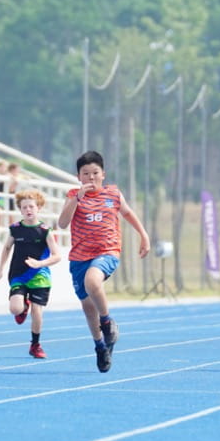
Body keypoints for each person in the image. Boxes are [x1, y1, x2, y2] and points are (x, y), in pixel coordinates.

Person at [56, 150, 150, 373]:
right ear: (79, 177)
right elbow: (61, 223)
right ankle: (100, 346)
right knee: (89, 308)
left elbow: (127, 214)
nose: (91, 177)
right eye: (85, 173)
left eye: (95, 173)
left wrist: (143, 235)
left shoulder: (113, 194)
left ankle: (107, 322)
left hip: (107, 252)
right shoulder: (73, 195)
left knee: (93, 281)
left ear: (103, 174)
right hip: (79, 257)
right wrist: (77, 199)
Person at [0, 188, 61, 359]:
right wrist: (0, 270)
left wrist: (40, 263)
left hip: (40, 276)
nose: (28, 210)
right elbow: (7, 248)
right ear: (20, 210)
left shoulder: (45, 231)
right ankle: (23, 306)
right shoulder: (15, 229)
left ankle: (35, 345)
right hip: (18, 274)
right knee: (15, 309)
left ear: (38, 208)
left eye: (31, 206)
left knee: (37, 312)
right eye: (24, 208)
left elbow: (57, 256)